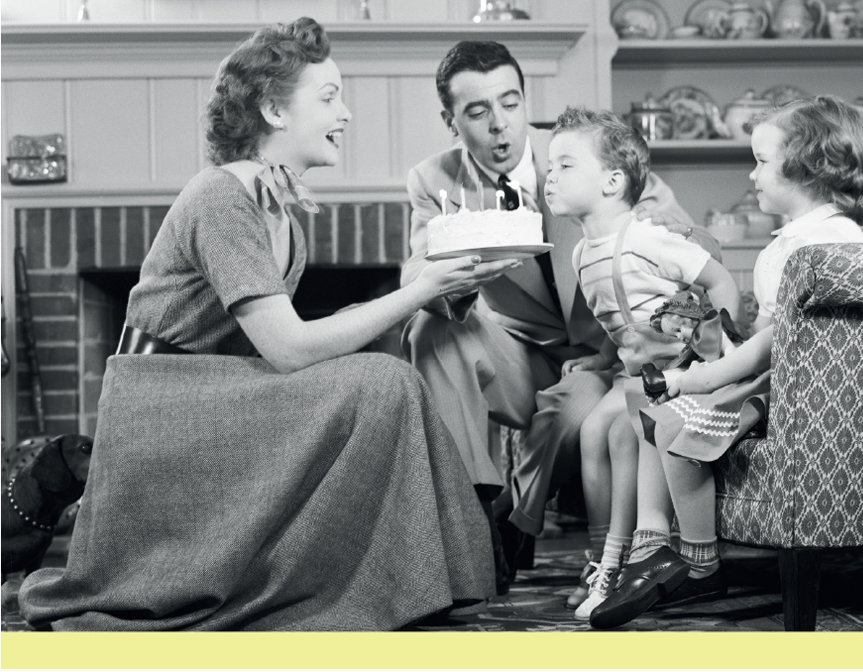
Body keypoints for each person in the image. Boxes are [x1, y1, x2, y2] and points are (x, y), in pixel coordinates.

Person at [15, 18, 517, 631]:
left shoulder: (281, 211)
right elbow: (289, 350)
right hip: (165, 407)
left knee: (383, 380)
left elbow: (289, 340)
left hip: (225, 393)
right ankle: (401, 578)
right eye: (328, 98)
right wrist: (417, 290)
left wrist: (431, 292)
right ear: (274, 110)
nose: (346, 114)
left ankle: (416, 577)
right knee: (384, 383)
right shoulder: (221, 196)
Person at [400, 40, 721, 592]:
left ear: (525, 101)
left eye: (510, 103)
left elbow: (693, 245)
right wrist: (463, 268)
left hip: (606, 358)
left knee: (571, 416)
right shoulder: (434, 180)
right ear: (451, 121)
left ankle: (508, 516)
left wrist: (663, 234)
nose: (500, 124)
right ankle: (466, 510)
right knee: (429, 327)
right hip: (519, 356)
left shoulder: (583, 151)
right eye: (477, 111)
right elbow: (415, 278)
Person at [590, 95, 863, 629]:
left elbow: (777, 341)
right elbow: (760, 331)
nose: (752, 175)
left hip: (803, 392)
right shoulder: (793, 239)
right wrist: (708, 342)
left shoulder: (828, 240)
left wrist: (704, 378)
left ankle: (701, 564)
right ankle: (652, 546)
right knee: (652, 405)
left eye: (762, 162)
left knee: (681, 417)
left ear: (807, 166)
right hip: (775, 377)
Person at [543, 107, 745, 619]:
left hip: (683, 367)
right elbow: (623, 320)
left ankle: (629, 556)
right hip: (637, 375)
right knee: (593, 430)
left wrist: (719, 352)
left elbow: (719, 282)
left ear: (612, 181)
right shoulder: (581, 254)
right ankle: (600, 560)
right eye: (549, 166)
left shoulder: (647, 237)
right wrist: (599, 359)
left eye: (565, 165)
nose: (551, 176)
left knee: (617, 431)